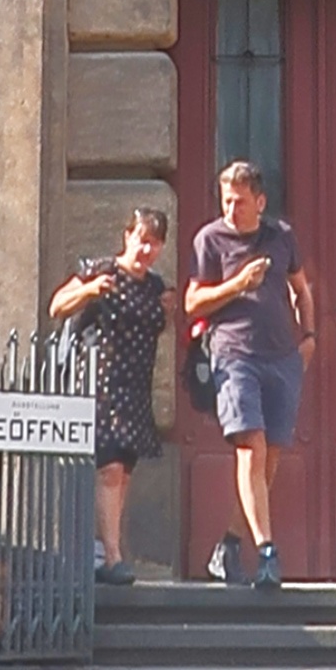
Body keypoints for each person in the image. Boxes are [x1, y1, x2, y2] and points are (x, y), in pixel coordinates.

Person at [183, 155, 313, 591]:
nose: (230, 210)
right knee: (251, 449)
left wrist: (309, 336)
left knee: (270, 458)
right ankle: (268, 552)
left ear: (260, 201)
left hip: (281, 358)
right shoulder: (211, 240)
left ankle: (229, 545)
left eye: (239, 202)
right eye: (225, 201)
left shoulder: (281, 237)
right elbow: (192, 304)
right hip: (234, 356)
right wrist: (236, 285)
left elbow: (301, 288)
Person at [47, 202, 172, 576]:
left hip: (135, 386)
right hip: (99, 384)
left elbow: (155, 325)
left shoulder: (155, 286)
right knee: (110, 469)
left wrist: (169, 310)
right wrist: (89, 292)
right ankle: (114, 557)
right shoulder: (100, 269)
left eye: (155, 243)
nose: (146, 249)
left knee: (123, 472)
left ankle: (106, 550)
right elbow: (57, 306)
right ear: (127, 237)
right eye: (141, 239)